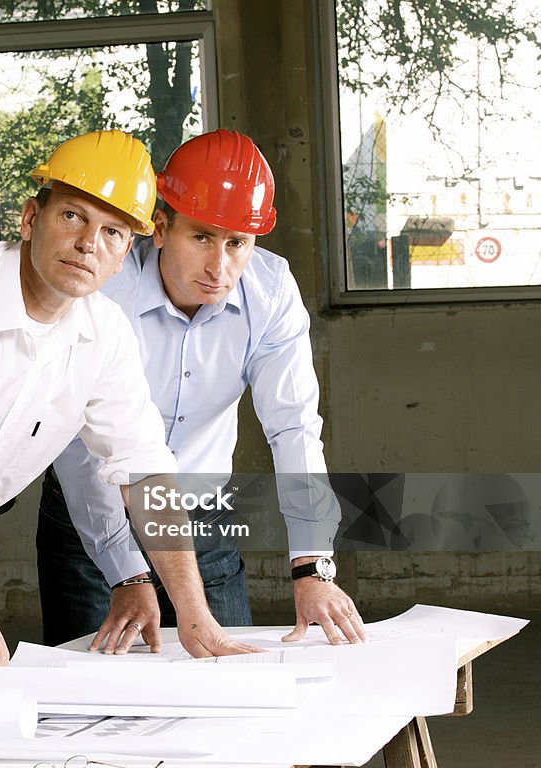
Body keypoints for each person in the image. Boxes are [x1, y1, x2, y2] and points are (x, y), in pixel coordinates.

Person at [0, 130, 261, 665]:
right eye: (72, 218)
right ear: (31, 217)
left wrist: (198, 618)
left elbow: (146, 471)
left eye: (112, 231)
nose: (90, 244)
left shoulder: (104, 331)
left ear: (126, 250)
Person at [36, 129, 368, 648]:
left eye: (238, 243)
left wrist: (312, 567)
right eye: (202, 238)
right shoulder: (103, 288)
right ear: (161, 227)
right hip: (93, 518)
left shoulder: (271, 291)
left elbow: (294, 427)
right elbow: (77, 444)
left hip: (202, 514)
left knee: (228, 675)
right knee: (96, 702)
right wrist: (127, 573)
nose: (220, 267)